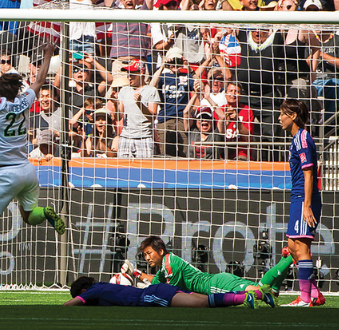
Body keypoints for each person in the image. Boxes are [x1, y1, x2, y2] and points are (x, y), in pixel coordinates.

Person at [0, 36, 65, 285]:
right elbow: (40, 80)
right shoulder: (25, 102)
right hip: (28, 170)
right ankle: (45, 213)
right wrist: (48, 53)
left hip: (6, 172)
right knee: (29, 217)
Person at [133, 235, 289, 303]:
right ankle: (285, 259)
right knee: (271, 294)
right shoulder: (166, 264)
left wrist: (147, 290)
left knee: (258, 291)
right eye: (145, 254)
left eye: (148, 253)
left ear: (160, 251)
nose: (146, 258)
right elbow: (156, 280)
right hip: (218, 280)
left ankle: (290, 258)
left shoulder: (169, 265)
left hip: (215, 286)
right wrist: (135, 273)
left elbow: (169, 292)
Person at [279, 99, 325, 306]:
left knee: (302, 249)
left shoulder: (302, 139)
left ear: (294, 116)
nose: (279, 118)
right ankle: (314, 293)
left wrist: (306, 205)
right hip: (298, 197)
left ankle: (305, 298)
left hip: (304, 198)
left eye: (283, 114)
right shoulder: (297, 138)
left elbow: (309, 174)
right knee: (292, 245)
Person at [64, 277, 256, 308]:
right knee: (207, 300)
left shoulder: (93, 290)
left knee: (202, 304)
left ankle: (246, 297)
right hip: (157, 290)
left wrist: (65, 305)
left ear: (83, 290)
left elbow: (75, 303)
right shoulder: (102, 288)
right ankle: (256, 295)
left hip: (150, 295)